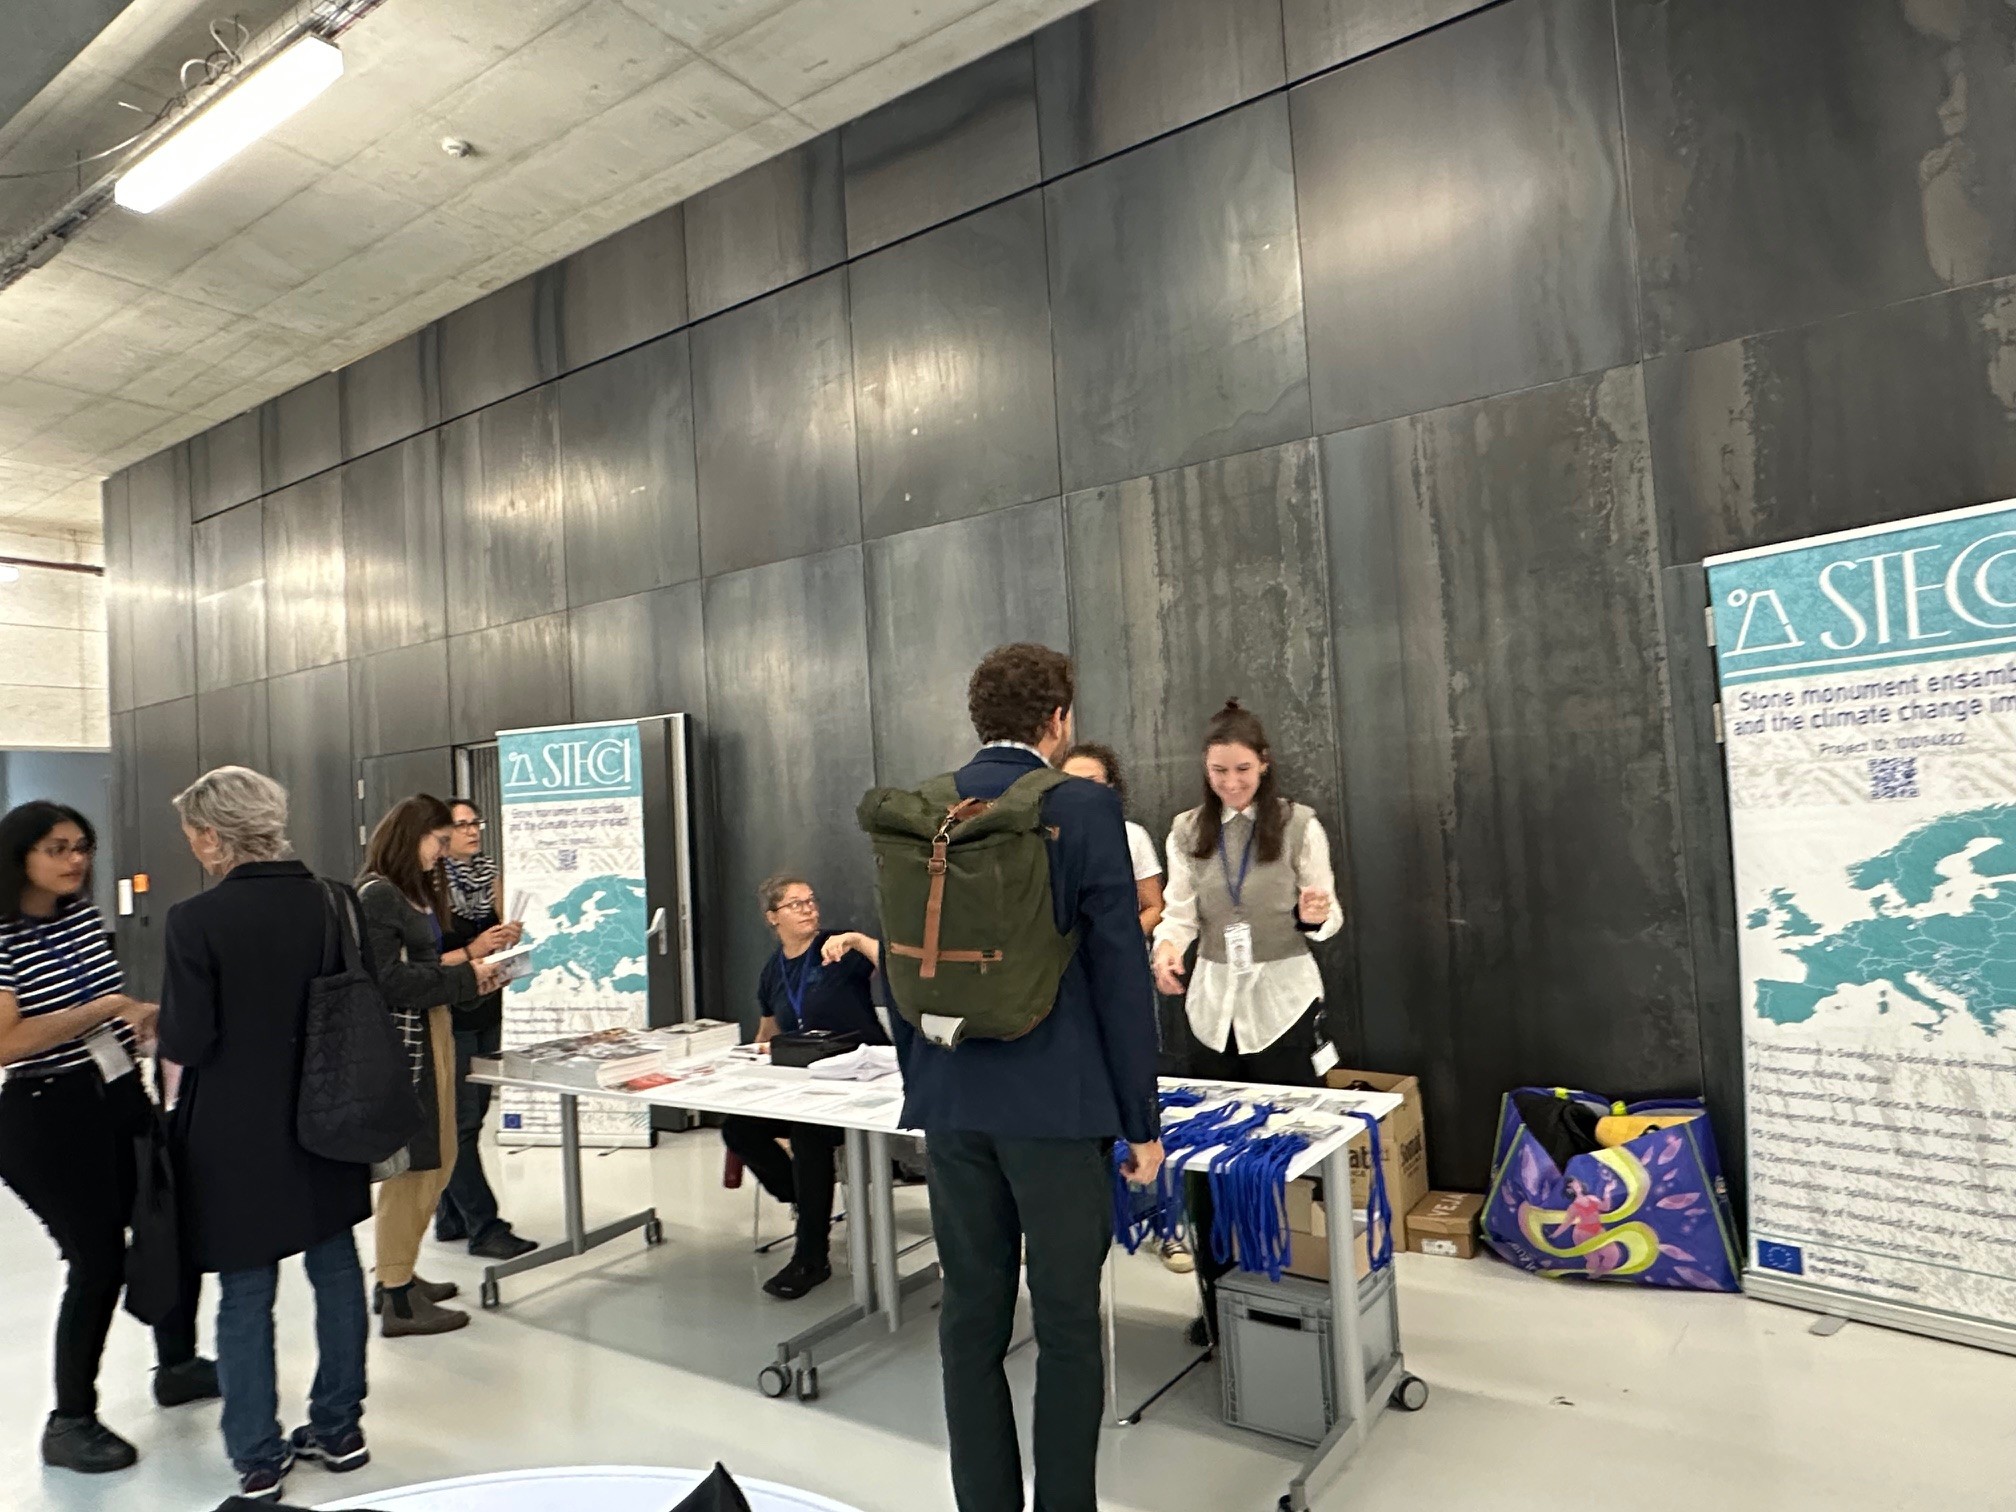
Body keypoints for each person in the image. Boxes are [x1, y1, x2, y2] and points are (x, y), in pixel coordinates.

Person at [892, 643, 1162, 1512]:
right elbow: (1119, 972)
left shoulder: (929, 806)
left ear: (979, 719)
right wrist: (1142, 1119)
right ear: (1059, 719)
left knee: (969, 1321)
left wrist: (925, 1082)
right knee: (1068, 1326)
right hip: (1057, 1105)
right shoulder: (1083, 807)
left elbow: (903, 961)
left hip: (952, 1101)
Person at [159, 767, 373, 1504]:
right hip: (331, 1111)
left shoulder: (195, 921)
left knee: (246, 1291)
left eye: (191, 833)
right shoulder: (334, 901)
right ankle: (340, 1429)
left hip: (235, 1130)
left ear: (211, 836)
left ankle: (257, 1457)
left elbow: (190, 1039)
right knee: (337, 1269)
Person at [0, 800, 216, 1475]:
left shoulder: (82, 920)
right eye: (57, 849)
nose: (75, 861)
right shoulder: (2, 936)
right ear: (20, 858)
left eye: (82, 847)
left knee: (168, 1223)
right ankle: (70, 1421)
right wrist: (109, 1008)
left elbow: (99, 1021)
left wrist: (138, 1026)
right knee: (97, 1261)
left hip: (120, 1093)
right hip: (47, 1115)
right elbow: (8, 1042)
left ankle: (176, 1364)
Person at [1150, 699, 1341, 1343]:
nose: (1231, 782)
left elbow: (1328, 914)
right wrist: (1167, 949)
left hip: (1283, 1004)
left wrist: (1315, 914)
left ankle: (1292, 1298)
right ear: (1205, 771)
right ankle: (1216, 1302)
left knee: (1285, 1154)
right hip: (1213, 1010)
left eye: (1242, 770)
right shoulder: (1186, 830)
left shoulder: (1298, 825)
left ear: (1264, 765)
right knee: (1209, 1161)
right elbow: (1179, 912)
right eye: (1218, 771)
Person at [358, 795, 507, 1338]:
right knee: (419, 1165)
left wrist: (472, 975)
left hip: (432, 1026)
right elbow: (388, 980)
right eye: (439, 841)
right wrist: (468, 976)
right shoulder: (378, 895)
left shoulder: (411, 892)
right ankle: (396, 1293)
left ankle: (399, 1274)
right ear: (412, 836)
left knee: (437, 1158)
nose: (443, 852)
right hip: (406, 1042)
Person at [1056, 741, 1192, 1275]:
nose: (1081, 792)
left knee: (1140, 1097)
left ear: (1112, 788)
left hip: (1120, 980)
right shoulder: (1043, 837)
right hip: (1063, 990)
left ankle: (1167, 1229)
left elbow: (1155, 906)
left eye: (1092, 782)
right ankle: (1091, 1226)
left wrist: (1110, 940)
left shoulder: (1130, 835)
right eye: (1070, 782)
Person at [722, 873, 884, 1301]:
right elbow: (768, 1031)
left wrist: (857, 940)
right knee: (738, 1127)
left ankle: (811, 1258)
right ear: (772, 917)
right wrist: (748, 1063)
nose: (808, 908)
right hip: (803, 1084)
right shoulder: (772, 970)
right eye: (795, 904)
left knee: (809, 1134)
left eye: (811, 900)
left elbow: (898, 967)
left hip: (859, 1081)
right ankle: (805, 1197)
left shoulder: (838, 948)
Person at [433, 798, 534, 1262]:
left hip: (487, 1006)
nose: (472, 831)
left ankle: (451, 1215)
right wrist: (475, 948)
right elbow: (428, 962)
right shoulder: (430, 886)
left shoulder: (490, 875)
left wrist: (507, 944)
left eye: (476, 822)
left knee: (474, 1117)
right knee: (460, 1122)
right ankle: (484, 1226)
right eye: (461, 825)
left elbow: (492, 943)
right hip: (448, 1014)